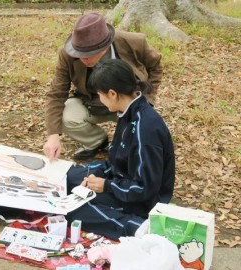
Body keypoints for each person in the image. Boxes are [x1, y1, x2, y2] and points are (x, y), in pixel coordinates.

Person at [65, 58, 175, 240]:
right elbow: (116, 162)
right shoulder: (127, 114)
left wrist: (106, 186)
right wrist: (94, 175)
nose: (99, 99)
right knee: (67, 177)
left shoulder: (144, 128)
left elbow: (145, 188)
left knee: (74, 209)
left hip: (142, 201)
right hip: (122, 182)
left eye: (100, 94)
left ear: (112, 93)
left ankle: (135, 227)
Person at [43, 12, 163, 161]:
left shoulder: (134, 42)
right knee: (65, 116)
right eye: (78, 53)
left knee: (138, 146)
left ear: (105, 46)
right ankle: (97, 142)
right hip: (91, 103)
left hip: (127, 101)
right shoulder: (66, 54)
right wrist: (53, 136)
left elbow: (155, 67)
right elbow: (56, 93)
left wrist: (147, 100)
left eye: (88, 54)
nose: (83, 59)